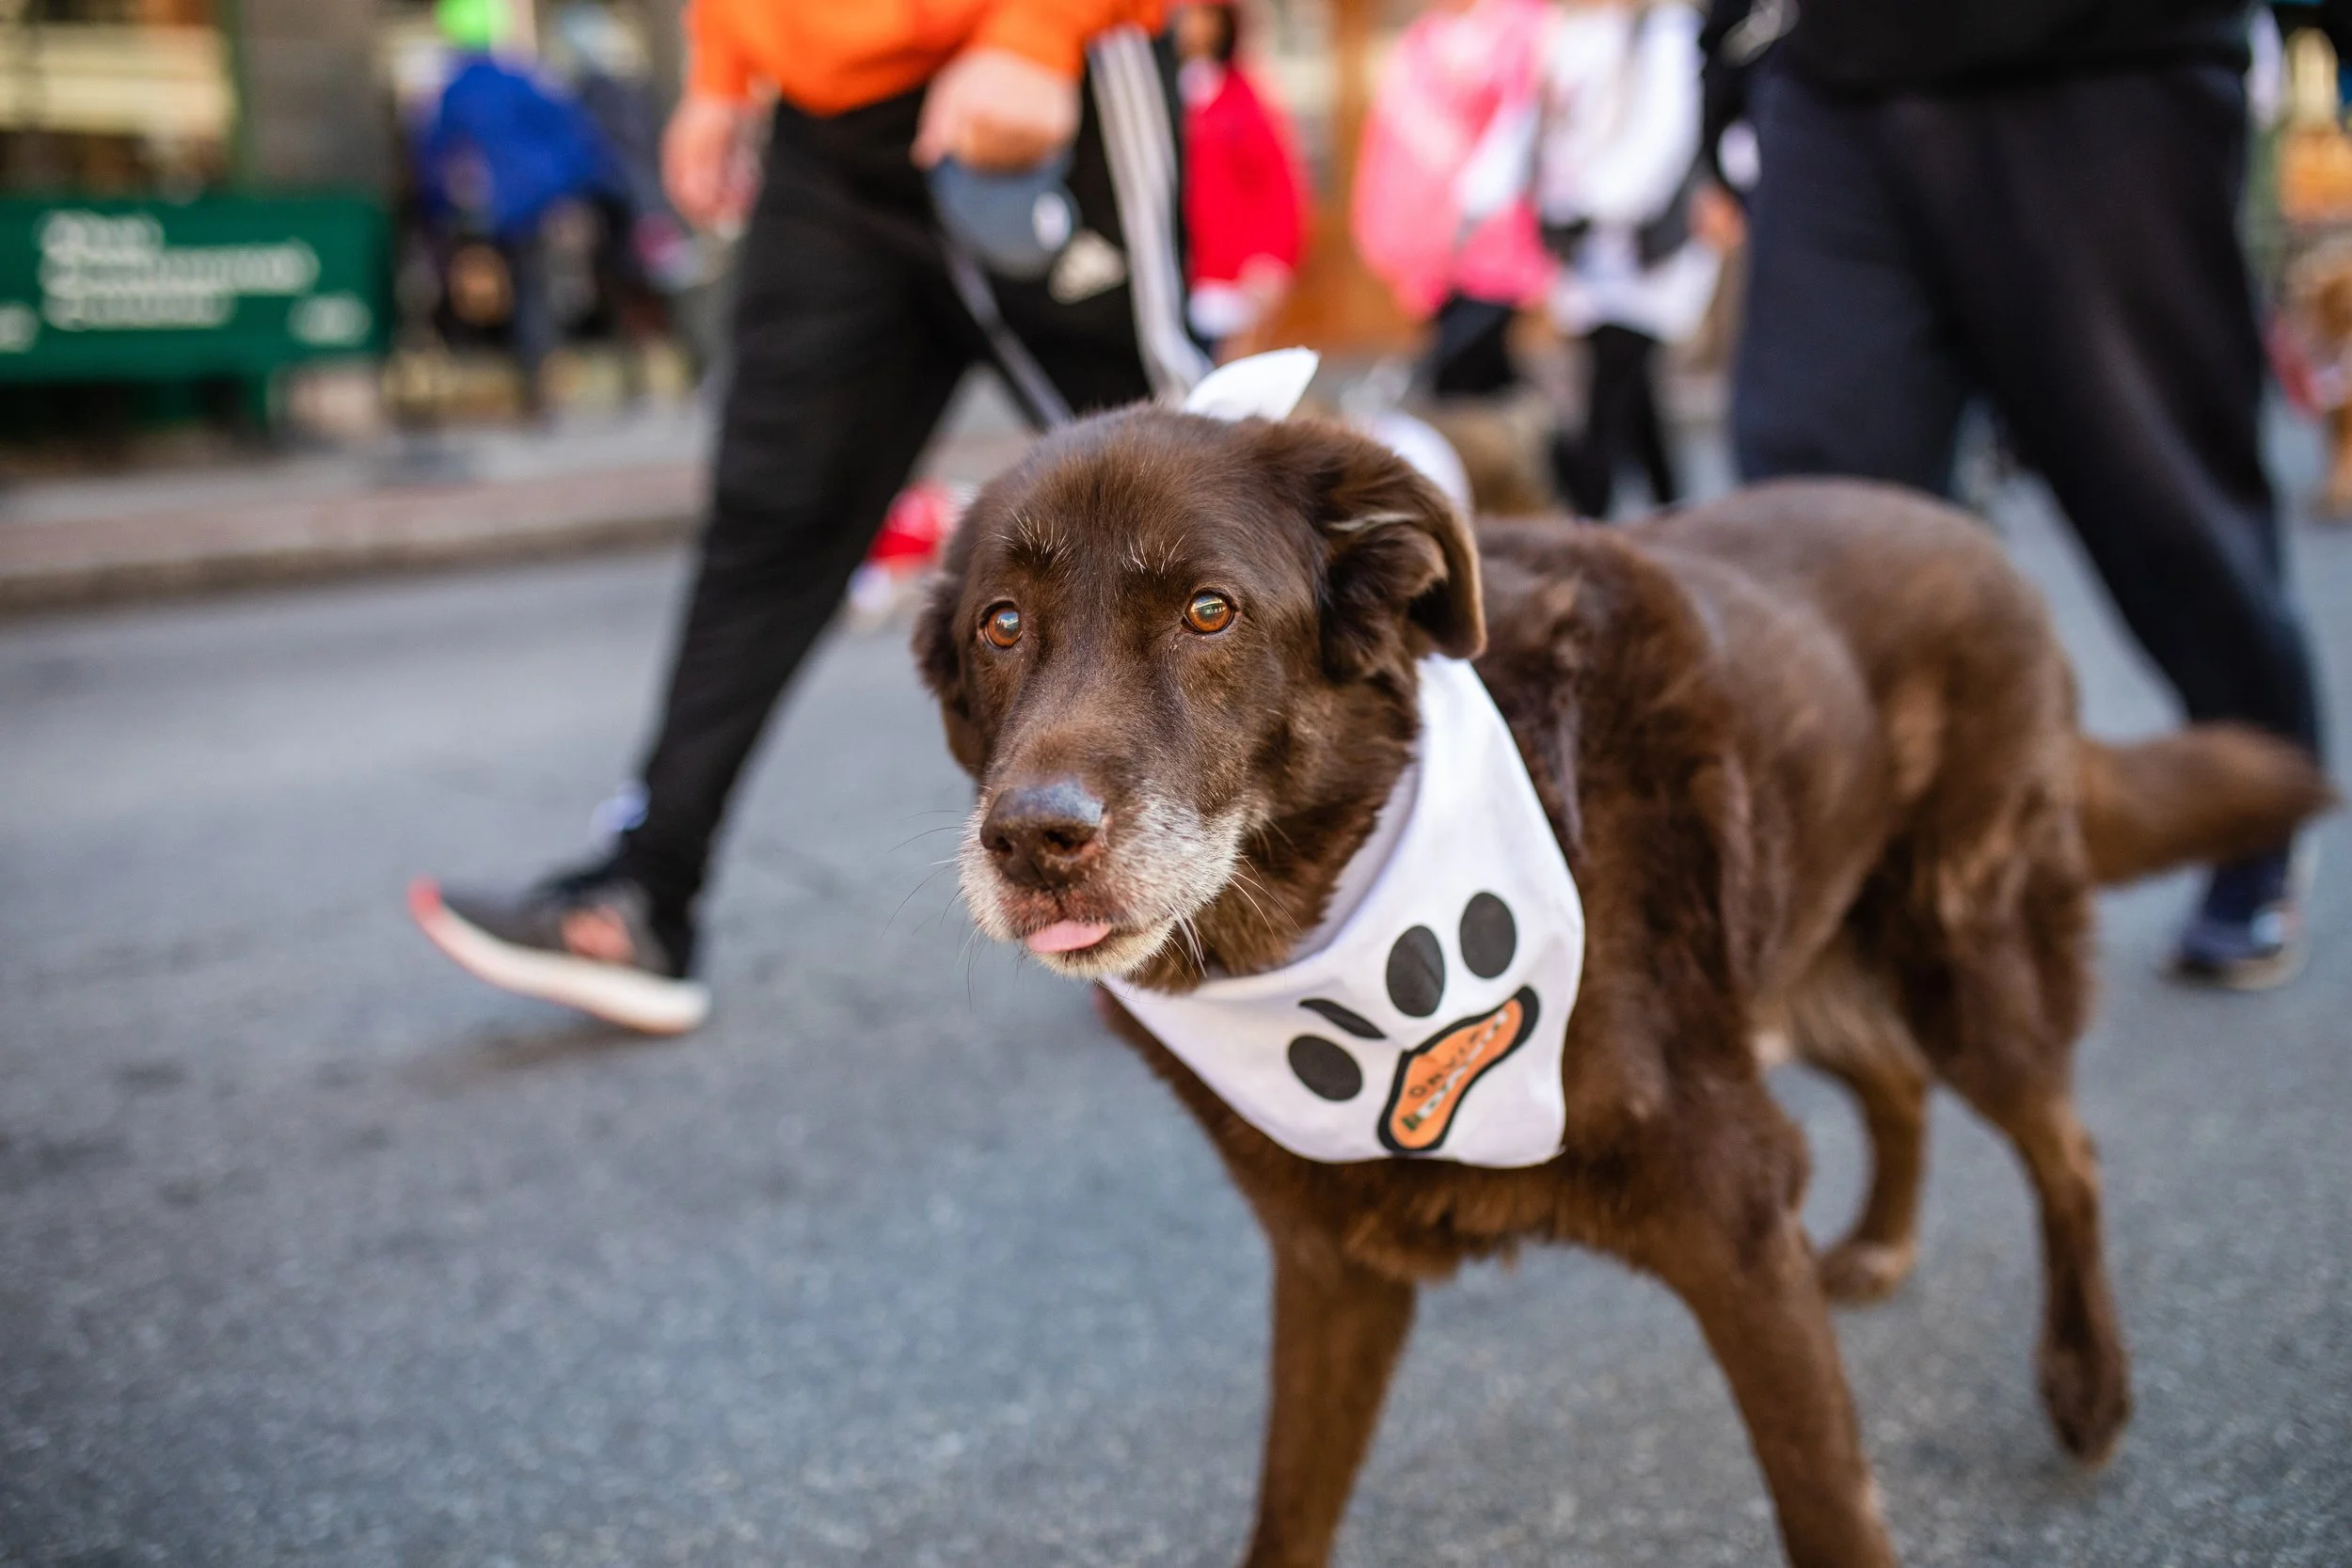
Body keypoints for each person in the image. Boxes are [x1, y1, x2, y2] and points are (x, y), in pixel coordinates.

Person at [411, 0, 1205, 1033]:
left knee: (1177, 486)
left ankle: (1304, 872)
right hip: (825, 125)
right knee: (766, 515)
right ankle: (648, 885)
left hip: (1023, 73)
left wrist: (1038, 34)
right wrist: (723, 64)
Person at [1706, 0, 2330, 988]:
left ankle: (2256, 808)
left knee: (2162, 492)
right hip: (1832, 79)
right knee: (1808, 508)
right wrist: (1728, 52)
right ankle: (1864, 875)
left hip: (2109, 66)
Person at [1524, 0, 1721, 515]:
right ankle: (1674, 513)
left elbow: (1664, 134)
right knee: (1631, 394)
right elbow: (1546, 128)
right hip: (1588, 247)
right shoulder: (1577, 33)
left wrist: (1597, 202)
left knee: (1613, 387)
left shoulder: (1669, 32)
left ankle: (1586, 525)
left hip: (1648, 246)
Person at [1351, 0, 1555, 397]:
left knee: (1464, 372)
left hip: (1497, 240)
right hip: (1437, 246)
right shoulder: (1423, 42)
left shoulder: (1520, 30)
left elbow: (1517, 136)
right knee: (1483, 377)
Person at [1173, 2, 1307, 360]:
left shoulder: (1241, 98)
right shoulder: (1169, 95)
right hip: (1177, 277)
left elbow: (1278, 186)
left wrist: (1271, 260)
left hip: (1229, 280)